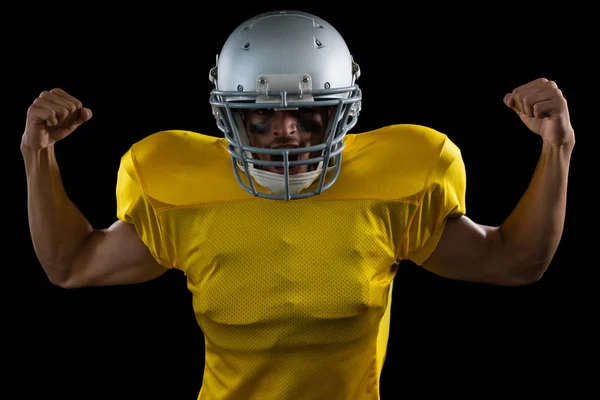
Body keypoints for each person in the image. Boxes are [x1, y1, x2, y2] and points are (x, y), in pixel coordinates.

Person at [21, 9, 574, 400]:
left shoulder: (398, 181)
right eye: (260, 116)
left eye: (309, 112)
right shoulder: (177, 187)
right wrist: (37, 157)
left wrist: (557, 149)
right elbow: (71, 267)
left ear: (343, 111)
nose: (286, 131)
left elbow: (514, 262)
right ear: (227, 116)